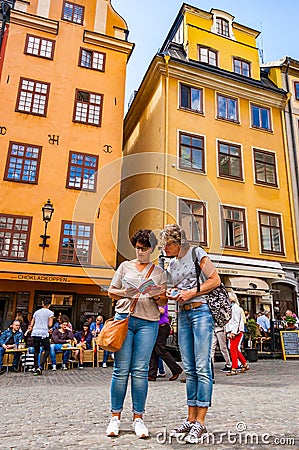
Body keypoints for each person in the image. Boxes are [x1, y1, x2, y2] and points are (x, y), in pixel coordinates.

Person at [161, 224, 220, 444]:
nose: (164, 248)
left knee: (202, 366)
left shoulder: (197, 253)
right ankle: (190, 418)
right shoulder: (173, 264)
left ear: (177, 242)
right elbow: (174, 290)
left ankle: (201, 423)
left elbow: (215, 280)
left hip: (201, 312)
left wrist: (190, 293)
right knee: (190, 367)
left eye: (167, 244)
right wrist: (171, 293)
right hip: (183, 314)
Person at [106, 229, 167, 439]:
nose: (140, 252)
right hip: (124, 318)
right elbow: (111, 291)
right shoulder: (124, 266)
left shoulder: (159, 272)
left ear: (151, 249)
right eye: (138, 248)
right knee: (121, 370)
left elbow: (164, 302)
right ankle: (115, 417)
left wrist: (155, 294)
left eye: (144, 248)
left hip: (148, 322)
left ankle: (138, 418)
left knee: (140, 370)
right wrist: (126, 292)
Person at [148, 303, 182, 381]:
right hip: (156, 326)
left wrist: (149, 311)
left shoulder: (161, 299)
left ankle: (176, 369)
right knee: (153, 350)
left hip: (162, 326)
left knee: (160, 350)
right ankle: (152, 374)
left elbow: (162, 310)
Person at [225, 292, 249, 376]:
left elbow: (236, 321)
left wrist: (233, 332)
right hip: (234, 331)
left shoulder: (235, 308)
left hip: (236, 331)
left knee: (232, 349)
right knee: (234, 348)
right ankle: (244, 364)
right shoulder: (232, 308)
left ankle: (234, 368)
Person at [29, 298, 54, 376]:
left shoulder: (36, 312)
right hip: (43, 333)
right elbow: (50, 324)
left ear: (42, 304)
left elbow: (32, 323)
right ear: (49, 305)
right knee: (47, 349)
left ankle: (35, 367)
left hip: (35, 332)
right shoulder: (50, 313)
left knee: (36, 350)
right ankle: (41, 365)